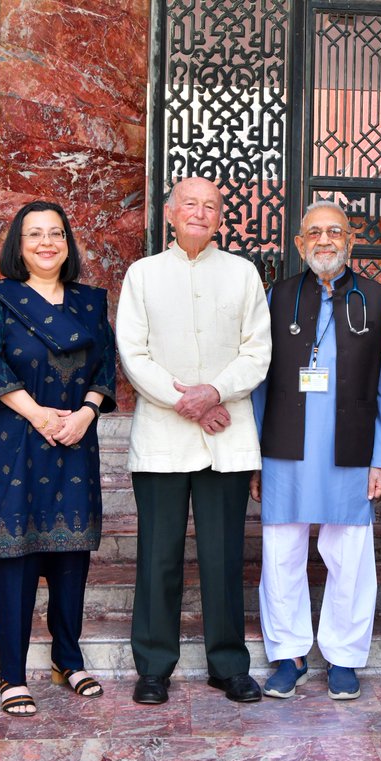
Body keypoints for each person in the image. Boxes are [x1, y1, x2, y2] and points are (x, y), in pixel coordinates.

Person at [116, 177, 272, 705]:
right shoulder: (143, 275)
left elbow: (258, 352)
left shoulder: (243, 274)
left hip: (226, 439)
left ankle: (227, 665)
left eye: (211, 206)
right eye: (190, 204)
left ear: (221, 218)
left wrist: (216, 392)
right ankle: (154, 666)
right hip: (162, 438)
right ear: (170, 213)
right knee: (157, 556)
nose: (200, 213)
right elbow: (133, 354)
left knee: (224, 558)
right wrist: (188, 402)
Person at [0, 201, 117, 716]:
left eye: (56, 233)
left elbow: (107, 367)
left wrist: (85, 415)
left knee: (70, 556)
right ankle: (11, 674)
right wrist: (39, 415)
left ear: (69, 243)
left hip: (75, 440)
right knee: (16, 556)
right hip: (14, 440)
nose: (47, 242)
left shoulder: (90, 303)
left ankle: (67, 660)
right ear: (19, 244)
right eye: (35, 234)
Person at [250, 201, 381, 701]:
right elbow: (259, 380)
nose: (325, 240)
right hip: (284, 444)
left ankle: (343, 655)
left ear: (351, 239)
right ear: (299, 244)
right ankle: (289, 653)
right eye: (314, 232)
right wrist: (254, 454)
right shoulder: (277, 295)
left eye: (335, 231)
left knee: (349, 554)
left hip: (351, 444)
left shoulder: (378, 298)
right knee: (282, 552)